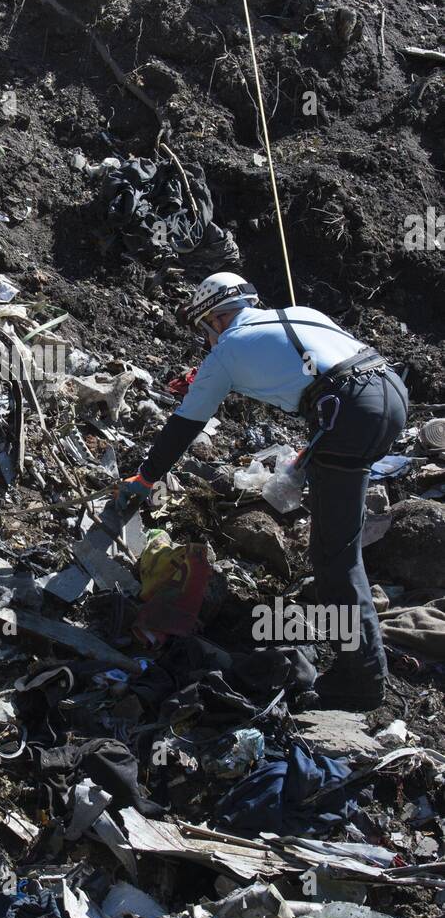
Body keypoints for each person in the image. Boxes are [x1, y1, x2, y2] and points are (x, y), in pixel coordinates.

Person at [117, 273, 409, 711]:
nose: (207, 339)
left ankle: (361, 679)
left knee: (335, 557)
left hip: (346, 412)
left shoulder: (227, 350)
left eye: (204, 329)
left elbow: (184, 426)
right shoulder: (299, 314)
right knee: (338, 541)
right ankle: (359, 664)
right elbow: (323, 372)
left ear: (214, 318)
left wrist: (145, 477)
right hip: (390, 394)